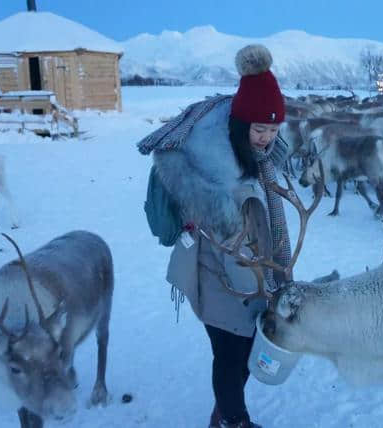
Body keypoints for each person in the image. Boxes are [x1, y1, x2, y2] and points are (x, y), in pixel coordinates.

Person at [137, 44, 290, 428]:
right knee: (230, 351)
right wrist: (264, 287)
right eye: (260, 129)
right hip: (215, 272)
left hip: (249, 266)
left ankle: (223, 414)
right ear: (241, 124)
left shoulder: (257, 157)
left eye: (273, 129)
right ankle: (234, 421)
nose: (267, 138)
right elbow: (226, 238)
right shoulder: (210, 172)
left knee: (244, 349)